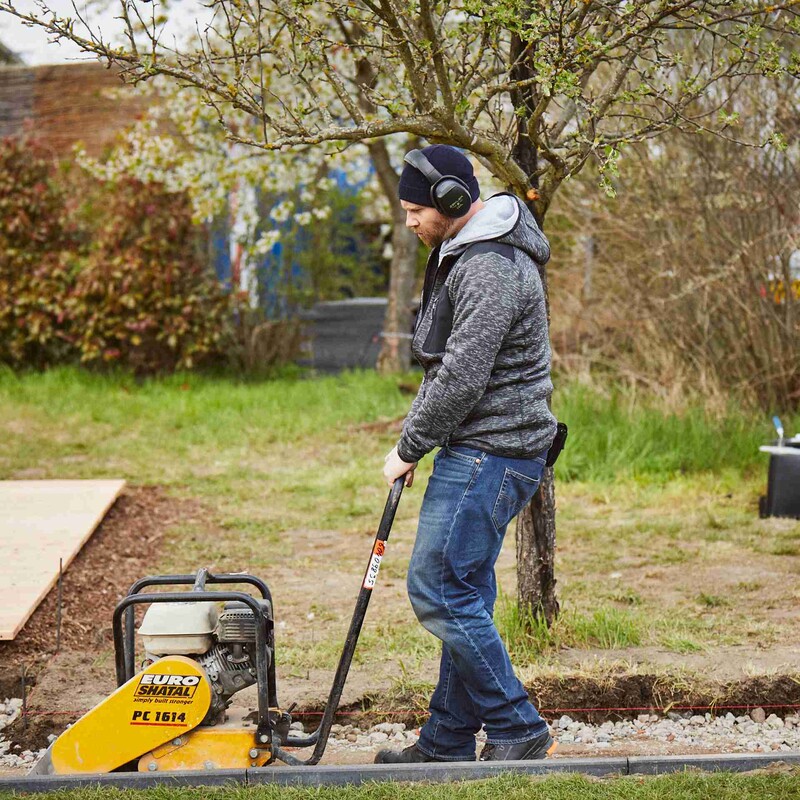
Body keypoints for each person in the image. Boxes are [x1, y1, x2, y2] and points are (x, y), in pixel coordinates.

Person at [377, 144, 558, 764]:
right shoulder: (468, 255)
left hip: (492, 451)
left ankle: (517, 726)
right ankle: (446, 742)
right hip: (481, 447)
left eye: (413, 210)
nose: (409, 223)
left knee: (438, 588)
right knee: (463, 593)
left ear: (451, 200)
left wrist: (408, 447)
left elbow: (461, 377)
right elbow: (447, 369)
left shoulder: (490, 265)